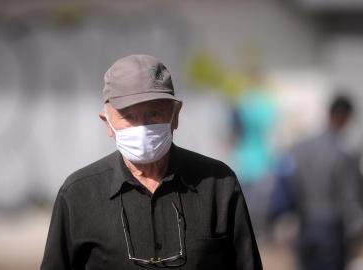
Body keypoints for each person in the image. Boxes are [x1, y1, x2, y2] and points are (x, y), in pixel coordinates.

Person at [40, 54, 263, 270]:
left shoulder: (218, 184)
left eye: (153, 114)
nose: (142, 128)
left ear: (175, 115)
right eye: (128, 116)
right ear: (107, 122)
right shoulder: (79, 193)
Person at [267, 95, 363, 270]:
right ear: (346, 118)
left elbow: (286, 184)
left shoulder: (301, 147)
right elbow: (349, 199)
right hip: (332, 229)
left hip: (304, 226)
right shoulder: (343, 153)